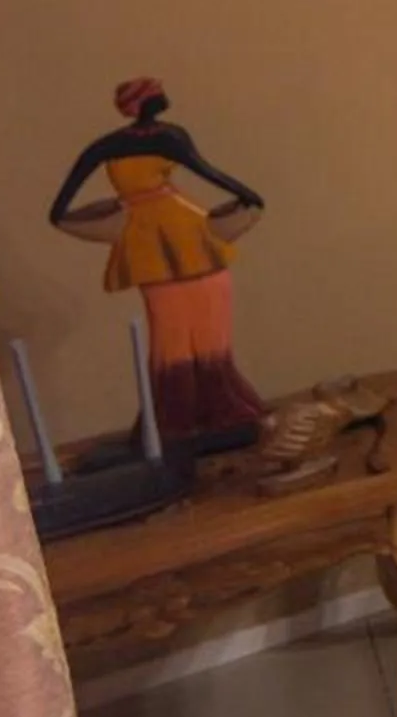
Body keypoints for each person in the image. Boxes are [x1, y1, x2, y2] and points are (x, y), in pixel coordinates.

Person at [48, 78, 268, 446]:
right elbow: (207, 171)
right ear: (143, 104)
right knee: (178, 331)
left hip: (164, 232)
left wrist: (74, 215)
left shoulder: (118, 144)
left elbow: (60, 207)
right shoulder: (161, 138)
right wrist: (249, 196)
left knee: (190, 328)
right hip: (172, 232)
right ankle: (185, 417)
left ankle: (205, 415)